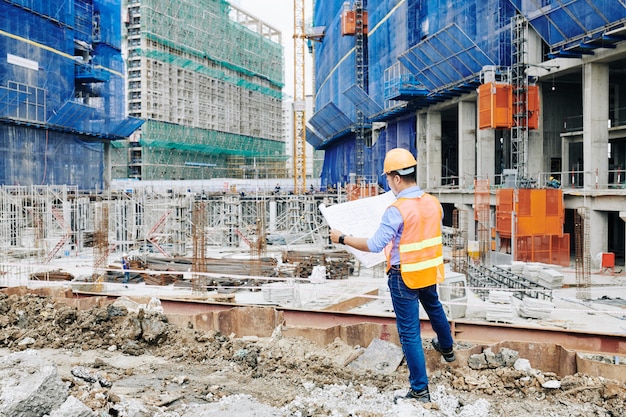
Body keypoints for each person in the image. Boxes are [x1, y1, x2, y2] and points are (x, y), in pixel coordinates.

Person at [329, 148, 455, 404]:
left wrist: (342, 238)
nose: (388, 183)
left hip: (404, 275)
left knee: (409, 333)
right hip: (428, 270)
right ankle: (448, 349)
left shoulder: (396, 210)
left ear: (396, 178)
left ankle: (419, 390)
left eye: (388, 178)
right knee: (434, 307)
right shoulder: (434, 203)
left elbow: (376, 245)